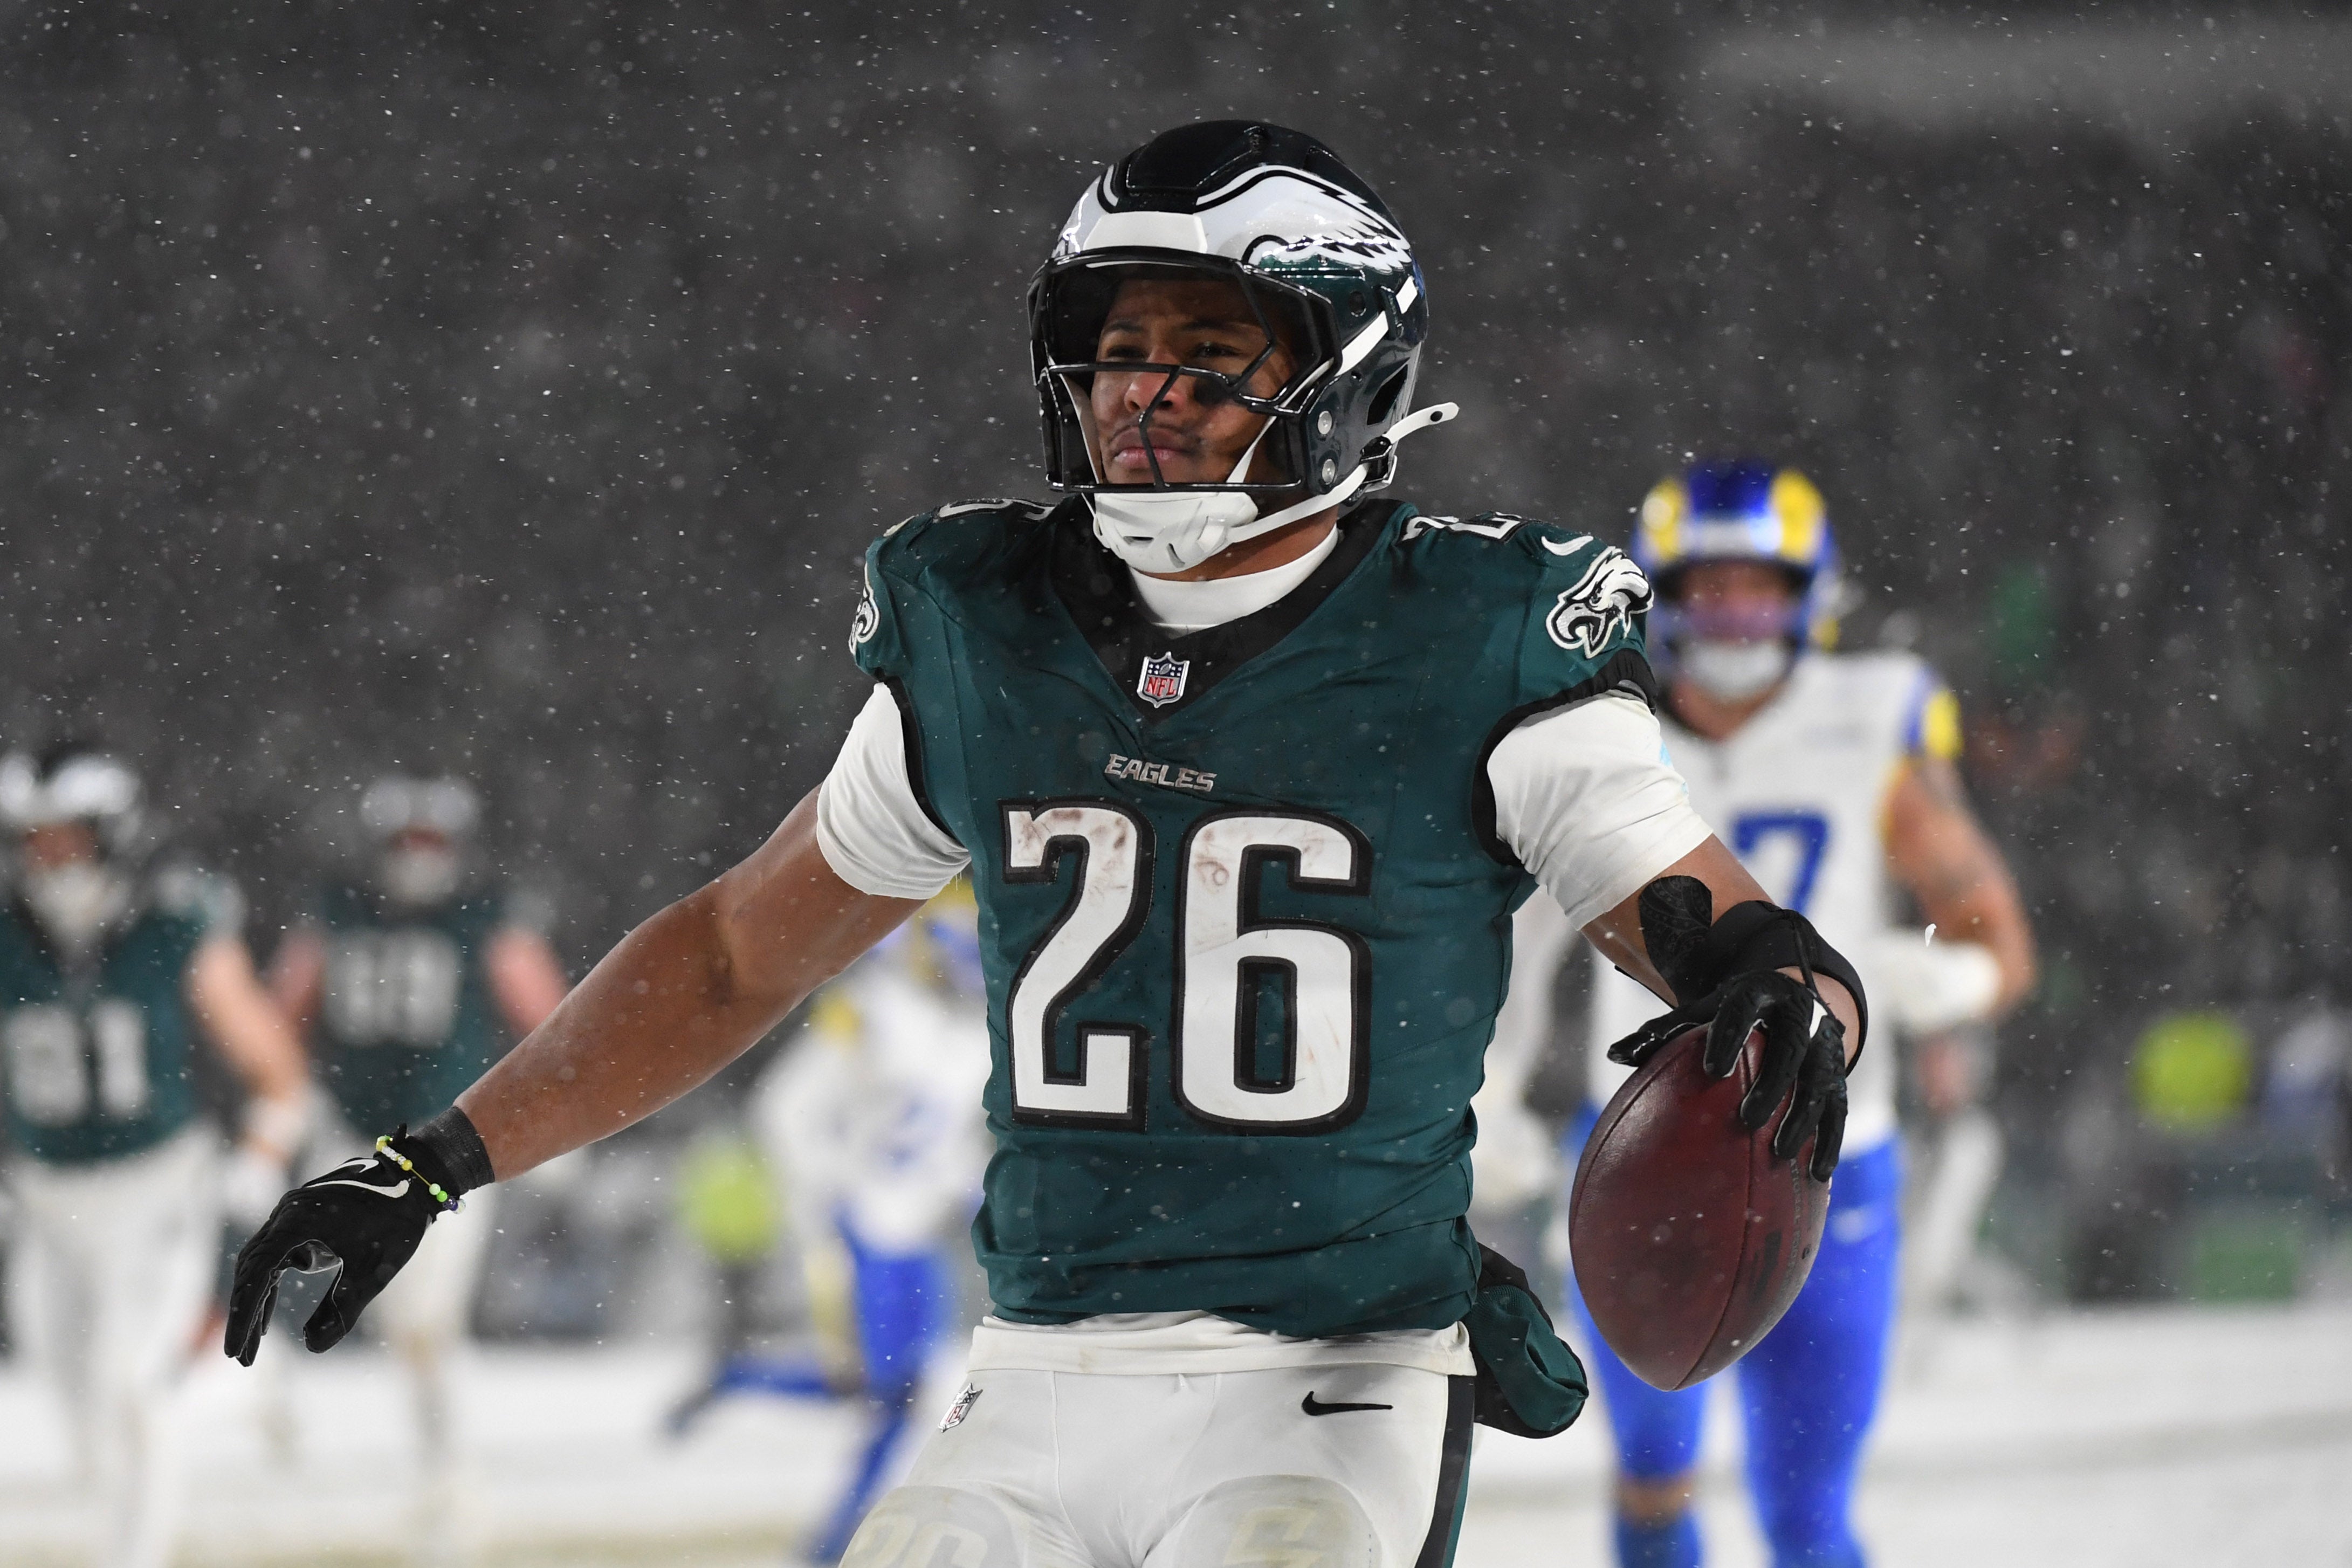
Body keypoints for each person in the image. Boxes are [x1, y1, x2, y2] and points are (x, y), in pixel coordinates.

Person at [227, 122, 1869, 1568]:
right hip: (1031, 1376)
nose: (1146, 390)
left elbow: (1731, 940)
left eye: (1211, 349)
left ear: (1345, 365)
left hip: (1334, 1381)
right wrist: (428, 1161)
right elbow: (734, 954)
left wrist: (1797, 1001)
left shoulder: (1474, 631)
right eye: (1117, 346)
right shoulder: (989, 627)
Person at [1562, 462, 2037, 1568]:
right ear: (1663, 596)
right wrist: (1484, 1083)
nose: (1733, 613)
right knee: (1652, 1472)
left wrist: (1955, 983)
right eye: (1708, 587)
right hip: (1641, 1136)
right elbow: (1526, 928)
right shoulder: (1597, 722)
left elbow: (1998, 937)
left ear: (1808, 593)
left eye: (1756, 586)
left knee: (1808, 1506)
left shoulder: (1868, 717)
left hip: (1831, 1148)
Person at [0, 742, 311, 1568]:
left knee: (134, 1390)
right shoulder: (9, 935)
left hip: (156, 1187)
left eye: (69, 839)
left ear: (115, 834)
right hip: (46, 1197)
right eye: (35, 841)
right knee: (77, 1405)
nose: (51, 860)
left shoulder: (173, 923)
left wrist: (259, 1162)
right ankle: (242, 1382)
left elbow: (276, 1070)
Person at [264, 773, 569, 1549]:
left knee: (424, 1320)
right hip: (351, 1133)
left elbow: (551, 1018)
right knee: (362, 1303)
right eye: (406, 841)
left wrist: (554, 1117)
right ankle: (283, 1411)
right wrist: (286, 1100)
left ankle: (449, 1479)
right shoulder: (336, 913)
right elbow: (282, 1013)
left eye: (430, 841)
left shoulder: (486, 916)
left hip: (447, 1142)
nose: (417, 857)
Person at [749, 881, 991, 1562]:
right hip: (863, 1228)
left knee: (913, 1394)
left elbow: (953, 1146)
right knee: (881, 1391)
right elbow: (785, 1109)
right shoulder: (873, 1008)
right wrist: (832, 1192)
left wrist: (969, 1189)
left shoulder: (973, 1032)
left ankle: (838, 1538)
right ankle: (833, 1541)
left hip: (916, 1236)